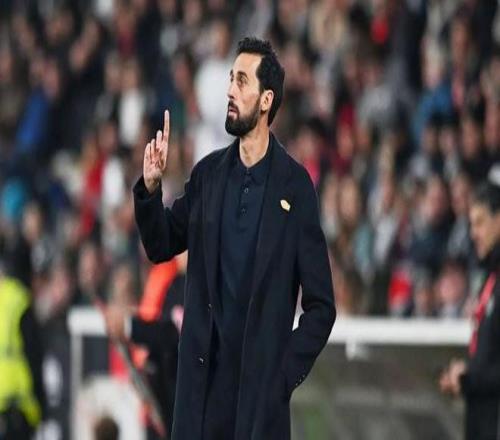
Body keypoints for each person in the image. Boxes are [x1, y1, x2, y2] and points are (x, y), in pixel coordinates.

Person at [133, 37, 336, 439]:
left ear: (265, 100)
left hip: (258, 407)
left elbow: (321, 306)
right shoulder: (208, 176)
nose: (230, 90)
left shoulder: (295, 188)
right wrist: (151, 190)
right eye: (230, 79)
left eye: (241, 81)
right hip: (200, 403)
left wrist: (283, 374)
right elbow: (161, 244)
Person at [439, 166, 500, 439]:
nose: (473, 233)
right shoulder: (490, 277)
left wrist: (469, 376)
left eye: (480, 222)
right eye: (471, 224)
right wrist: (466, 374)